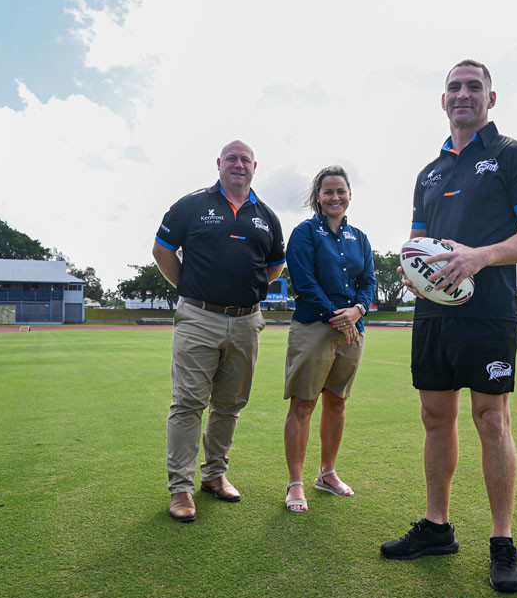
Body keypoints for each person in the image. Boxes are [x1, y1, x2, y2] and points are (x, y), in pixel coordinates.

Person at [380, 60, 517, 593]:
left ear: (491, 99)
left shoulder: (514, 156)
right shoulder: (428, 173)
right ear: (442, 100)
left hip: (489, 308)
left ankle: (502, 541)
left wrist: (479, 257)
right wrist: (415, 273)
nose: (462, 95)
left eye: (473, 87)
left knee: (491, 419)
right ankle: (436, 527)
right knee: (435, 416)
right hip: (434, 312)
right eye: (454, 87)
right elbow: (415, 243)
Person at [152, 140, 285, 523]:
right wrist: (189, 289)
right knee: (189, 403)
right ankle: (181, 487)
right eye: (232, 159)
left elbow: (274, 265)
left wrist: (249, 293)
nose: (238, 164)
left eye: (245, 159)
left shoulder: (266, 216)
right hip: (198, 316)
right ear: (219, 164)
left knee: (230, 404)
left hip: (247, 321)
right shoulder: (191, 205)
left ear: (255, 167)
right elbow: (162, 251)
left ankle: (215, 475)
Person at [282, 166, 376, 512]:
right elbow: (304, 282)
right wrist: (339, 317)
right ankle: (295, 484)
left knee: (337, 402)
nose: (335, 197)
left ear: (349, 195)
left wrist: (358, 310)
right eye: (328, 192)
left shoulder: (361, 238)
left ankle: (327, 474)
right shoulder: (305, 233)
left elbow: (369, 281)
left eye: (341, 191)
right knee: (303, 404)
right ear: (317, 197)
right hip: (315, 327)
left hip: (353, 329)